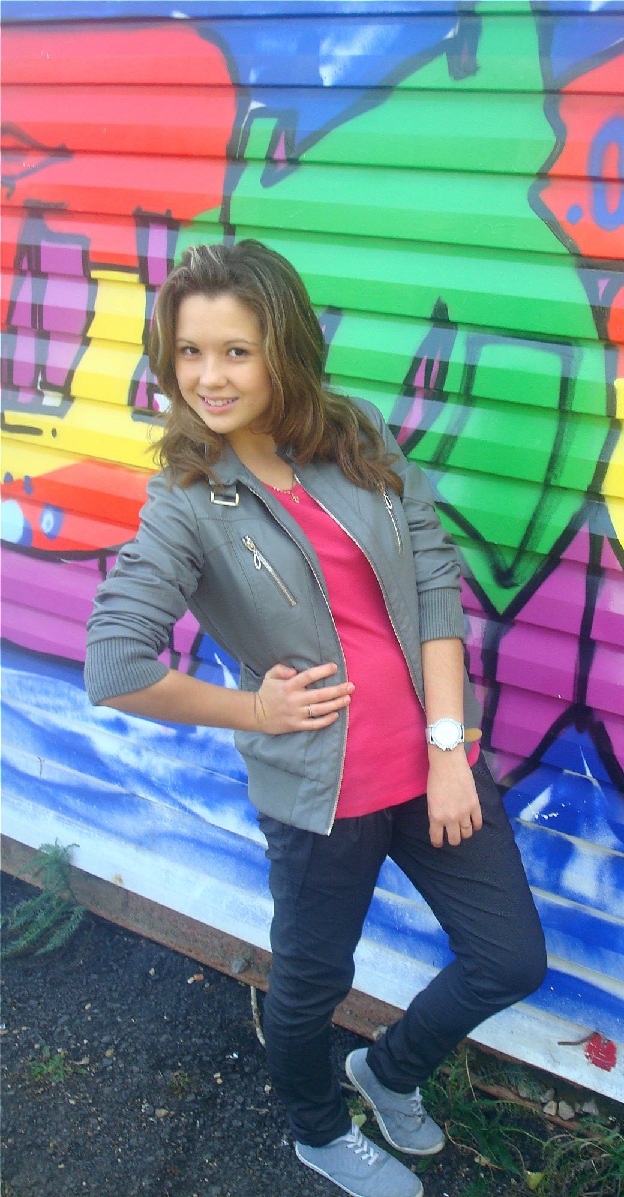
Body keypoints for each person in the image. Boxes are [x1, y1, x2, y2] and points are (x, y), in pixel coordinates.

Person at [85, 240, 547, 1197]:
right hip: (321, 798)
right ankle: (318, 1128)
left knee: (509, 958)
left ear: (284, 350)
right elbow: (115, 664)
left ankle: (388, 1069)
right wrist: (253, 708)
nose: (210, 377)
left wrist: (449, 749)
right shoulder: (187, 501)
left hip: (435, 762)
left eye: (237, 351)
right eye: (190, 352)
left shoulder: (354, 434)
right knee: (311, 985)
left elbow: (433, 583)